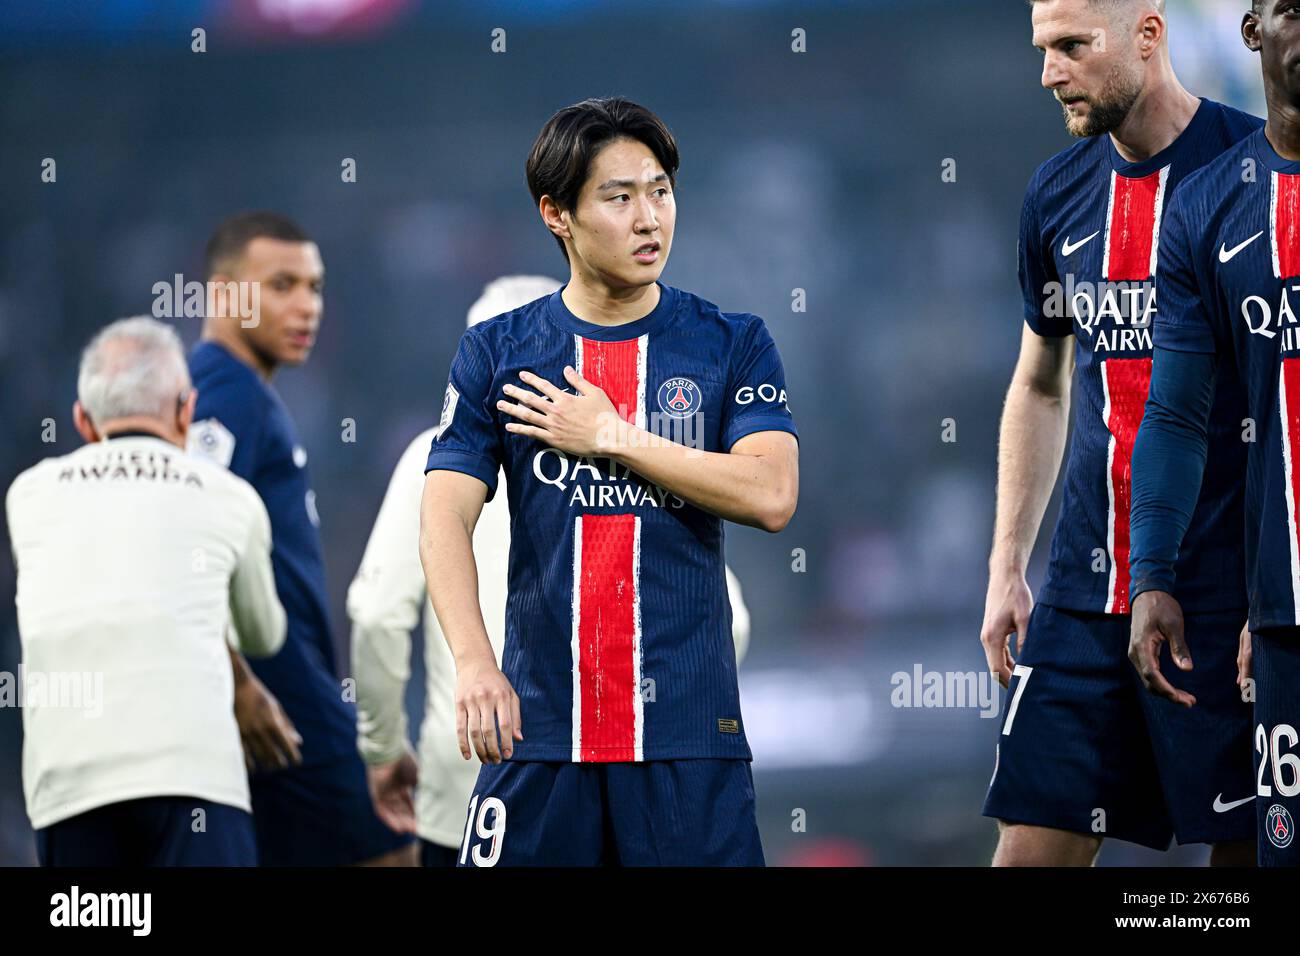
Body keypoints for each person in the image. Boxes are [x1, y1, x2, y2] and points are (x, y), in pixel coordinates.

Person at [421, 97, 798, 866]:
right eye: (618, 197)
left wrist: (614, 437)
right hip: (540, 732)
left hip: (688, 740)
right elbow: (442, 516)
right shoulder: (499, 351)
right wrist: (473, 664)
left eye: (659, 191)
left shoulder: (733, 343)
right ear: (556, 213)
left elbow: (771, 495)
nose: (649, 217)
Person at [349, 274, 758, 865]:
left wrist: (383, 746)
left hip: (469, 758)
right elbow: (731, 621)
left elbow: (378, 612)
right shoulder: (641, 445)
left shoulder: (431, 456)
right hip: (627, 756)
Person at [980, 0, 1257, 865]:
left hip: (1224, 595)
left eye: (1071, 46)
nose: (1049, 72)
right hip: (1081, 595)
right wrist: (1006, 564)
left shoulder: (1255, 171)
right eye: (1042, 49)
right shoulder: (1056, 193)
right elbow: (1040, 382)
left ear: (1148, 34)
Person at [7, 316, 285, 866]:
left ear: (83, 421)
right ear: (187, 410)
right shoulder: (232, 498)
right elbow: (264, 634)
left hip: (70, 790)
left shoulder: (28, 494)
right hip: (195, 779)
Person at [1129, 0, 1300, 868]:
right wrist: (1152, 573)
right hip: (1282, 621)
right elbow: (1178, 413)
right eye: (1291, 9)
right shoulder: (1208, 207)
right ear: (1253, 31)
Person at [187, 212, 414, 866]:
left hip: (278, 687)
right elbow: (191, 536)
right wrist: (238, 683)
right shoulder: (222, 392)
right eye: (281, 285)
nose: (306, 306)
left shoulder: (249, 396)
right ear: (224, 294)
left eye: (314, 287)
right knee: (392, 845)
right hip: (279, 688)